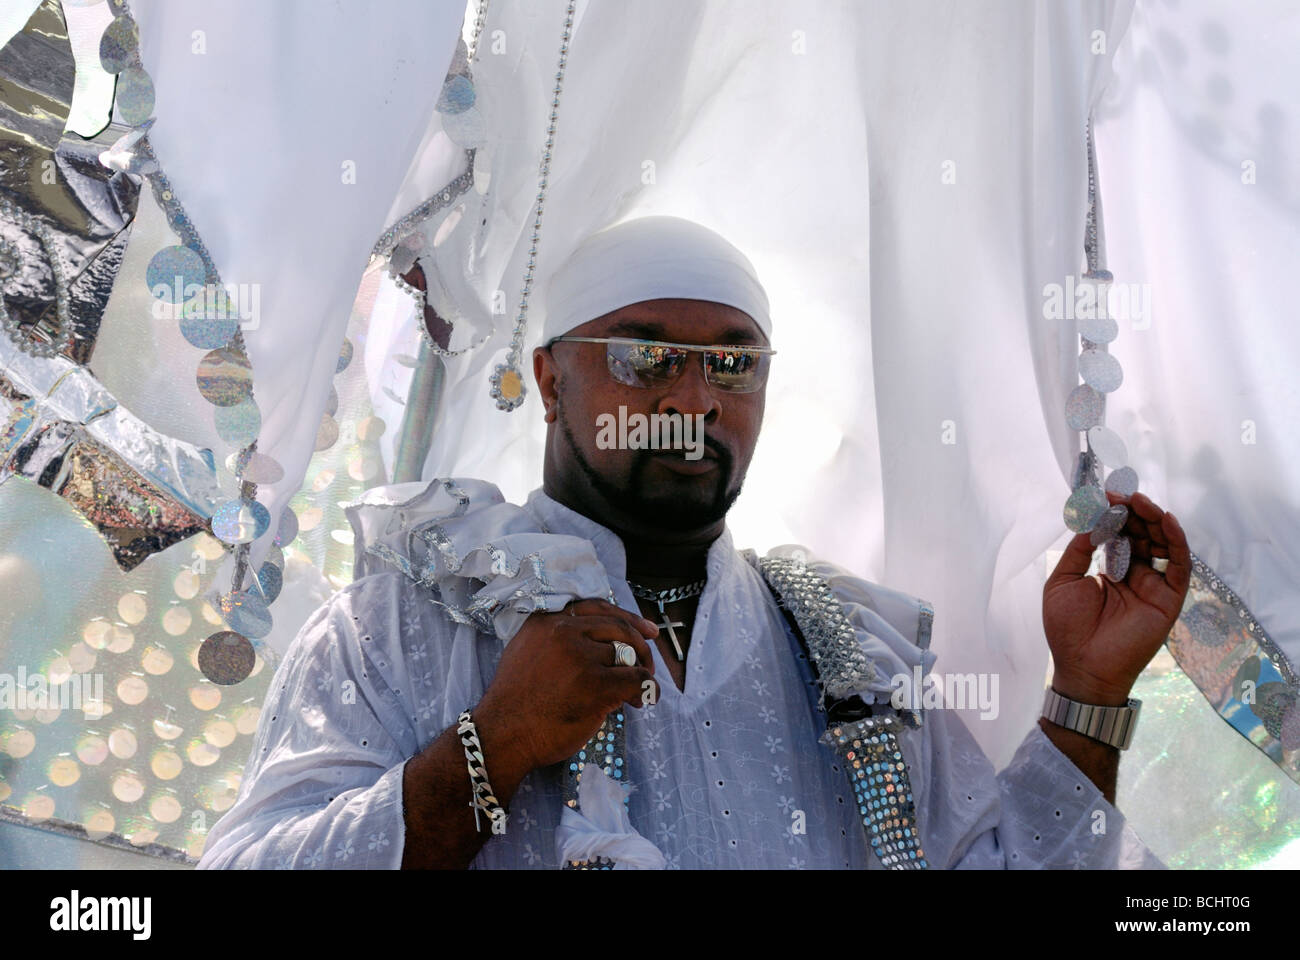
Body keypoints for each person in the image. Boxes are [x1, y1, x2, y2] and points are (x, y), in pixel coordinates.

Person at [197, 216, 1190, 869]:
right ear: (551, 382)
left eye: (733, 364)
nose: (692, 400)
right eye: (645, 357)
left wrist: (1087, 698)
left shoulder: (846, 650)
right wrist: (489, 748)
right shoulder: (408, 620)